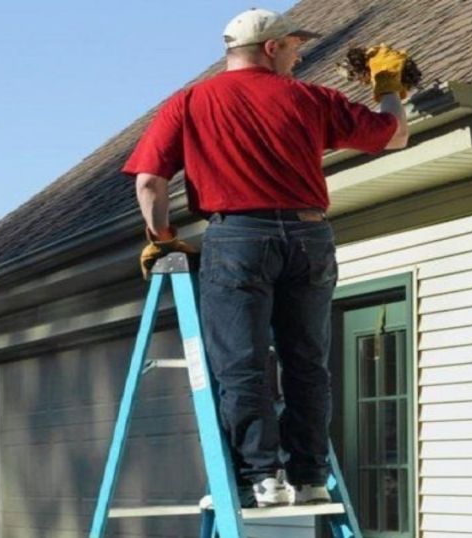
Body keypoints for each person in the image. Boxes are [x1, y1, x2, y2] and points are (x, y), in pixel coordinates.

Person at [123, 7, 411, 508]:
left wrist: (163, 236)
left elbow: (149, 182)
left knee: (242, 365)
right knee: (308, 363)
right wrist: (387, 87)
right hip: (309, 235)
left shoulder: (190, 102)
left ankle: (263, 478)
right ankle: (310, 476)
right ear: (272, 47)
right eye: (295, 47)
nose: (300, 58)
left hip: (239, 239)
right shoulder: (310, 99)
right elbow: (394, 133)